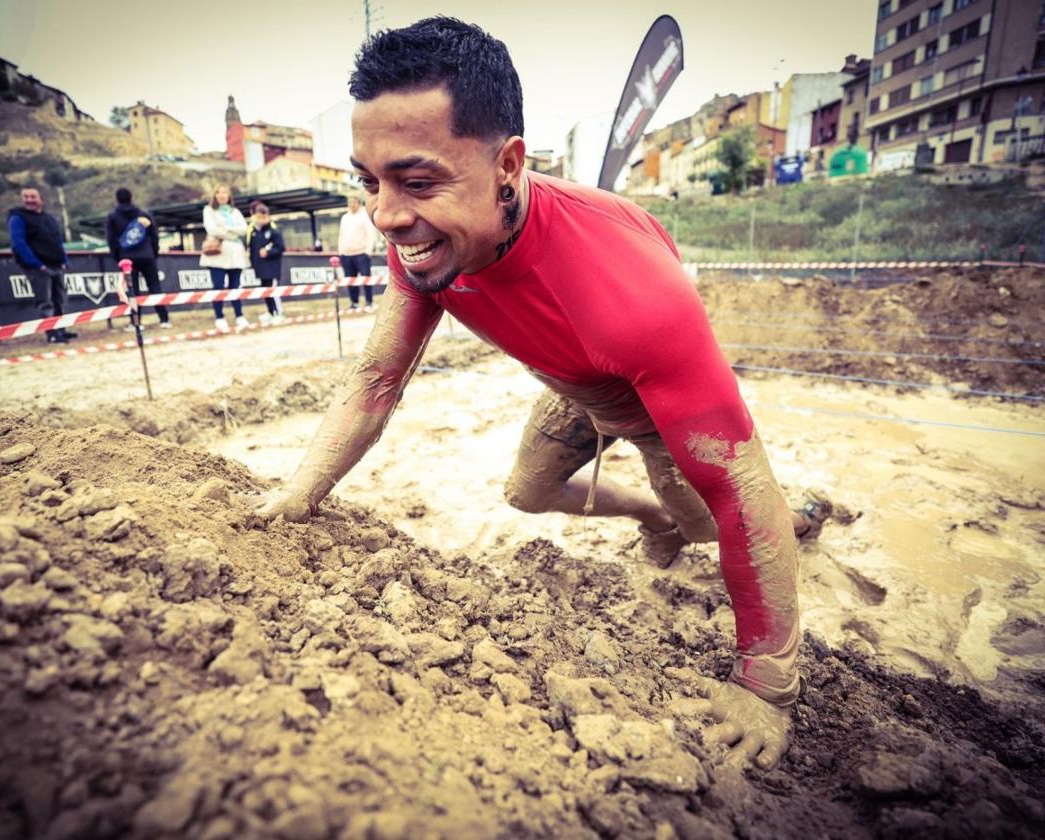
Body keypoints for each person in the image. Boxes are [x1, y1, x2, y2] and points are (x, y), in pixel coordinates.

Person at [250, 17, 836, 771]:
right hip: (575, 386)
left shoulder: (634, 296)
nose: (387, 216)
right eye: (370, 181)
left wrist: (769, 689)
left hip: (651, 396)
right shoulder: (427, 239)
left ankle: (802, 517)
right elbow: (375, 380)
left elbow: (737, 481)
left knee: (718, 522)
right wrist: (301, 491)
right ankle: (652, 517)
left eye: (417, 181)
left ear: (509, 164)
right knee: (527, 492)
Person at [8, 186, 74, 344]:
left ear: (41, 199)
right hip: (38, 267)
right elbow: (19, 243)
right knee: (45, 302)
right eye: (26, 197)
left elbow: (58, 241)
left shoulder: (49, 219)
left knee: (60, 300)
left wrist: (64, 260)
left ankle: (61, 331)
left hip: (56, 265)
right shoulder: (17, 218)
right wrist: (37, 264)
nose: (29, 200)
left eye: (33, 197)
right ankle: (51, 334)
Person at [105, 187, 170, 329]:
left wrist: (118, 257)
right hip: (147, 255)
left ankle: (136, 322)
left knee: (133, 291)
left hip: (127, 259)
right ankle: (164, 320)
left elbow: (111, 240)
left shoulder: (112, 217)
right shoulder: (143, 214)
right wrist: (154, 253)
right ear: (131, 197)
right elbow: (154, 235)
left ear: (117, 199)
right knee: (155, 287)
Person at [200, 183, 249, 333]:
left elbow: (244, 229)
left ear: (229, 195)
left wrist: (227, 229)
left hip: (235, 254)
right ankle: (220, 317)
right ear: (214, 195)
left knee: (235, 286)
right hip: (218, 253)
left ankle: (239, 316)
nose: (221, 195)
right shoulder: (209, 210)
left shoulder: (235, 212)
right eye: (218, 192)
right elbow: (211, 229)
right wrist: (232, 232)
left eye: (224, 192)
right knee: (218, 286)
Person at [337, 194, 377, 310]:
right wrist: (341, 252)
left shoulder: (364, 216)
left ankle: (369, 302)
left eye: (353, 202)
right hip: (346, 254)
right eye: (349, 203)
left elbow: (370, 234)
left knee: (366, 279)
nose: (351, 205)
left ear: (358, 203)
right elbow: (341, 235)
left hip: (362, 253)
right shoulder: (344, 218)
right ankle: (354, 303)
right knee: (350, 280)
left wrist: (368, 250)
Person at [246, 201, 285, 324]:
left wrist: (268, 252)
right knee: (265, 291)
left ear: (268, 217)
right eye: (258, 217)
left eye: (264, 217)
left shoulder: (274, 232)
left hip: (272, 269)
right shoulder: (254, 232)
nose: (261, 219)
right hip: (260, 269)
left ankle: (279, 313)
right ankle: (270, 312)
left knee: (273, 291)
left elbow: (280, 248)